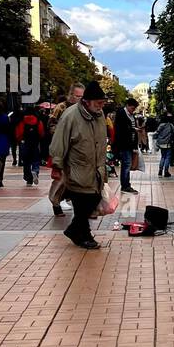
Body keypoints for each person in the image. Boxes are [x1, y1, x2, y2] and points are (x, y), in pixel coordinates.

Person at [49, 80, 108, 250]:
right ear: (87, 101)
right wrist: (57, 165)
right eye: (98, 103)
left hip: (96, 167)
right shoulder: (70, 115)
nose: (101, 106)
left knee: (93, 199)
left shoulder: (99, 114)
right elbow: (59, 142)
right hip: (77, 167)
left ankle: (76, 231)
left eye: (102, 103)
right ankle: (83, 234)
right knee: (83, 203)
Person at [48, 84, 85, 216]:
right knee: (61, 179)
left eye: (82, 96)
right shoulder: (61, 107)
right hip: (63, 148)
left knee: (78, 179)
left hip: (78, 150)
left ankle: (78, 205)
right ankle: (55, 202)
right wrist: (62, 135)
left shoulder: (84, 108)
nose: (80, 99)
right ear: (71, 95)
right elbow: (51, 125)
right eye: (77, 96)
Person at [112, 97, 139, 193]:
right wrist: (133, 130)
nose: (133, 110)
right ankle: (125, 185)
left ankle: (126, 184)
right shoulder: (121, 114)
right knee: (126, 164)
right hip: (124, 144)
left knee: (127, 164)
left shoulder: (131, 115)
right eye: (132, 108)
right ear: (127, 106)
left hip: (130, 144)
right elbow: (120, 130)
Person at [15, 106, 45, 186]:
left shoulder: (22, 120)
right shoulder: (38, 120)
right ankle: (35, 171)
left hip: (25, 143)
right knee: (35, 159)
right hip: (35, 143)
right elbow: (41, 132)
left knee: (26, 162)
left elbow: (19, 133)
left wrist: (20, 140)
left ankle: (28, 179)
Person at [154, 112, 174, 178]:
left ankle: (160, 170)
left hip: (161, 144)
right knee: (167, 157)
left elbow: (157, 133)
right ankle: (166, 172)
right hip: (168, 144)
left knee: (163, 157)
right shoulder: (170, 125)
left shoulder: (160, 125)